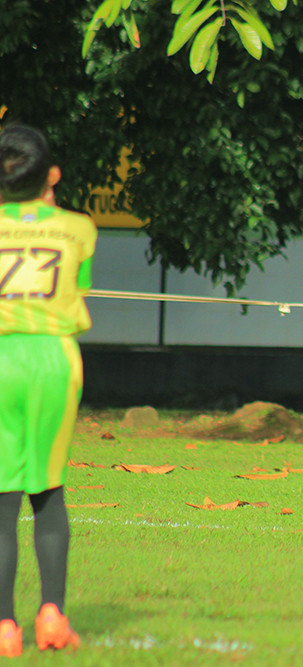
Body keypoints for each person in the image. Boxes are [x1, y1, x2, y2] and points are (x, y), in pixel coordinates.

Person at [0, 124, 96, 655]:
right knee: (49, 489)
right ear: (51, 176)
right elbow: (76, 286)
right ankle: (52, 617)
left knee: (0, 498)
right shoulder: (79, 228)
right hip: (55, 360)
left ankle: (3, 628)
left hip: (1, 357)